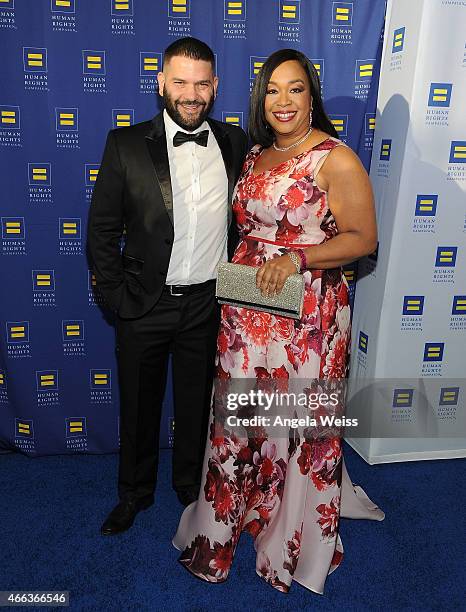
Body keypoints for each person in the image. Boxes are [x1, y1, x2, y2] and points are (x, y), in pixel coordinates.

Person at [173, 48, 384, 594]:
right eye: (273, 90)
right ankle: (229, 520)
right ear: (259, 100)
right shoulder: (255, 156)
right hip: (247, 314)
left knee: (298, 424)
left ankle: (291, 533)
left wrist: (298, 257)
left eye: (295, 89)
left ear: (311, 95)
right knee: (242, 419)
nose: (284, 101)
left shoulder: (335, 158)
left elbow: (363, 239)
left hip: (308, 317)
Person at [87, 37, 248, 536]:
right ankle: (134, 494)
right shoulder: (125, 144)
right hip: (144, 303)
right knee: (138, 404)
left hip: (207, 303)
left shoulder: (236, 142)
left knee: (198, 404)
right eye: (180, 81)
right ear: (161, 83)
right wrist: (117, 298)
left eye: (202, 83)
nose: (191, 93)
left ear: (216, 87)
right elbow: (101, 230)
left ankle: (189, 487)